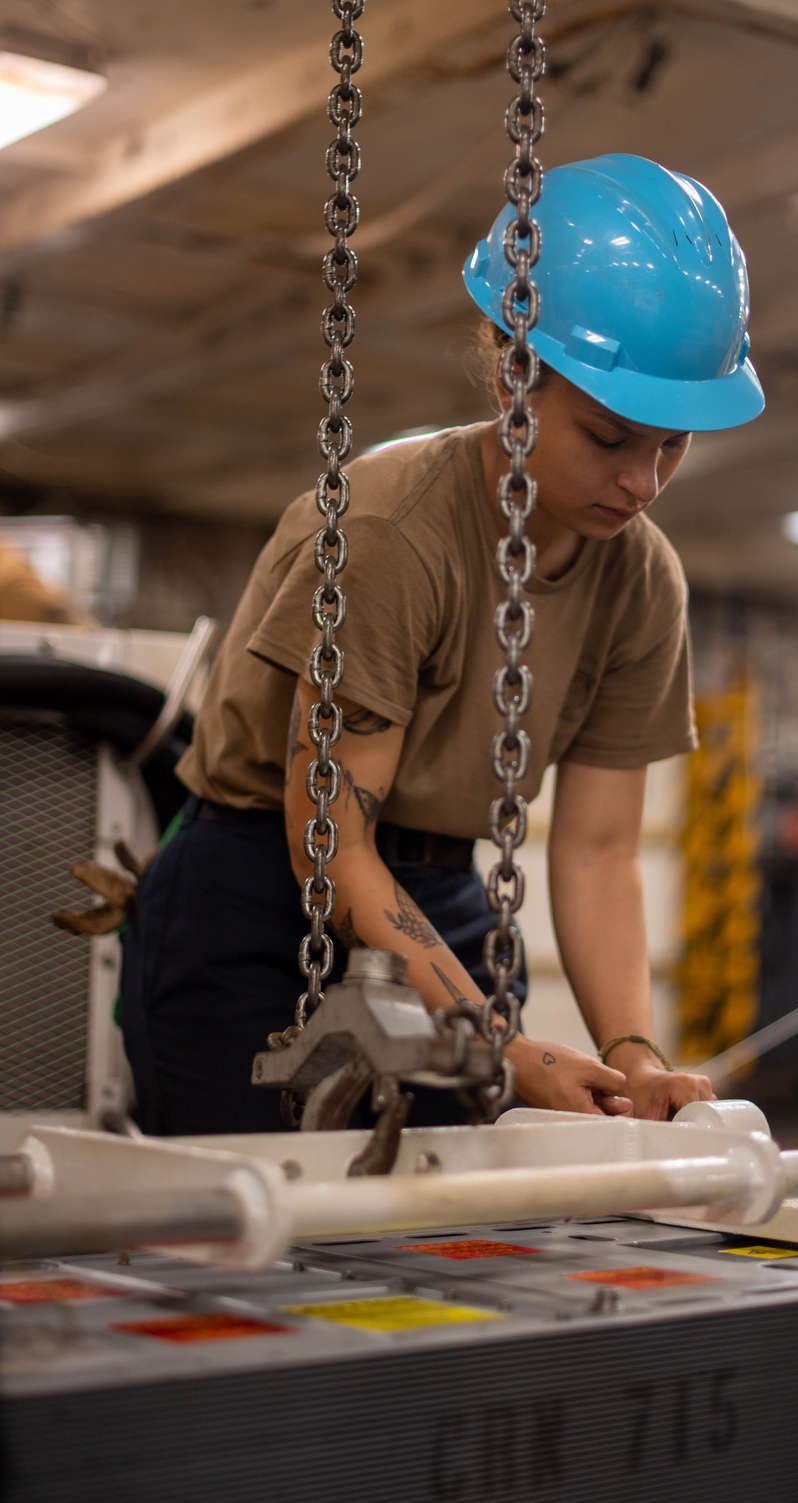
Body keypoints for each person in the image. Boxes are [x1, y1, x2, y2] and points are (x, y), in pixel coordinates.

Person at [120, 154, 764, 1136]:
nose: (642, 483)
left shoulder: (641, 579)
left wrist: (635, 1056)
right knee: (240, 1228)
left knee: (434, 1243)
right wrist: (494, 1043)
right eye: (608, 437)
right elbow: (328, 841)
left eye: (670, 446)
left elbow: (596, 851)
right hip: (256, 896)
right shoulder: (391, 534)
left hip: (438, 892)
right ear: (514, 372)